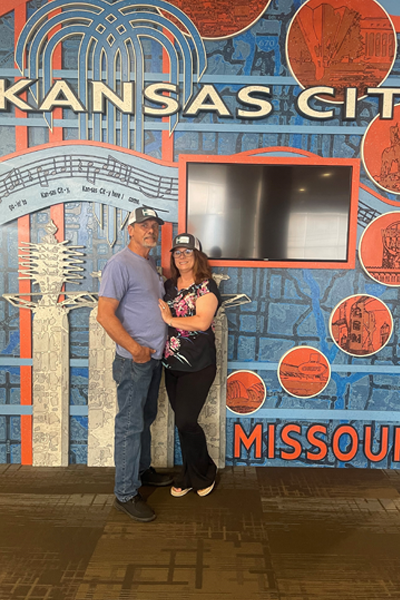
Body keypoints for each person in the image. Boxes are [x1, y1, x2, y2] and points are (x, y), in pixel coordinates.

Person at [97, 207, 173, 523]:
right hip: (135, 360)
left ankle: (141, 471)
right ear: (130, 229)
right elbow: (104, 314)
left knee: (144, 417)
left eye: (155, 225)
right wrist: (135, 349)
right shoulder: (119, 264)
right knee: (130, 424)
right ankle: (125, 493)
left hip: (152, 359)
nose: (151, 229)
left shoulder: (148, 265)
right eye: (144, 224)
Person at [158, 233, 222, 497]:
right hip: (172, 365)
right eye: (177, 252)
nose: (182, 256)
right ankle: (188, 474)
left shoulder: (207, 286)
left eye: (188, 251)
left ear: (198, 257)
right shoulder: (168, 286)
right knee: (181, 423)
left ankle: (205, 471)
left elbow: (202, 322)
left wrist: (171, 320)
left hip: (199, 365)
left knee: (186, 421)